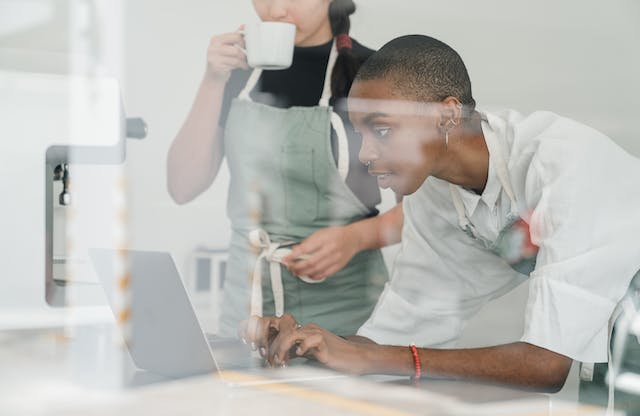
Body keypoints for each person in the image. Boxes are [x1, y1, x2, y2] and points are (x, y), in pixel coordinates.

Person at [239, 34, 640, 395]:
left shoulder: (561, 165)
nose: (364, 154)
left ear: (447, 115)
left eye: (381, 130)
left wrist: (375, 360)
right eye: (360, 133)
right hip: (617, 351)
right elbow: (395, 334)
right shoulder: (436, 196)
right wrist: (313, 345)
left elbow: (547, 365)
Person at [167, 0, 401, 337]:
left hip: (347, 323)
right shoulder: (237, 72)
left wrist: (355, 238)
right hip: (246, 316)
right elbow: (182, 186)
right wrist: (213, 79)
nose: (275, 10)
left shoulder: (374, 74)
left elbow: (425, 212)